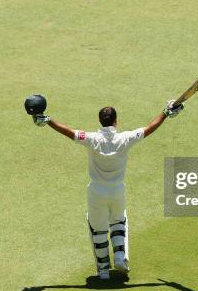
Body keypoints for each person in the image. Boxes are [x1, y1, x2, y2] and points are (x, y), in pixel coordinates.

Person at [32, 101, 184, 279]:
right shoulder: (125, 138)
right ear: (115, 121)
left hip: (96, 190)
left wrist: (48, 120)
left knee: (97, 228)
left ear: (99, 121)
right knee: (119, 222)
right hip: (117, 190)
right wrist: (166, 112)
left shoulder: (91, 139)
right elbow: (150, 128)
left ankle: (103, 270)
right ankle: (120, 257)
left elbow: (69, 132)